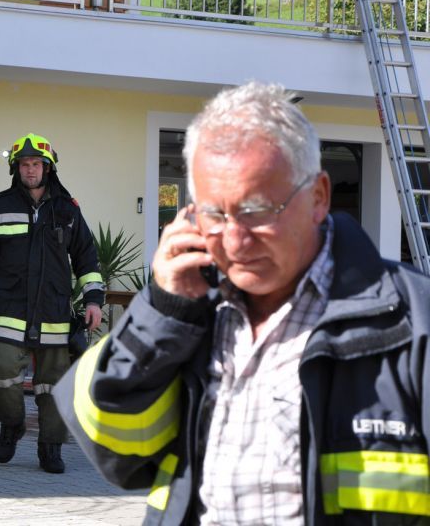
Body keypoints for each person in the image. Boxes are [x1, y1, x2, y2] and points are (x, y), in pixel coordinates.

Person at [56, 81, 430, 524]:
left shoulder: (411, 319)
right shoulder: (188, 313)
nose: (234, 240)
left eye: (257, 210)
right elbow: (114, 454)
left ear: (318, 197)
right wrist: (162, 312)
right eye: (214, 213)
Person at [0, 133, 105, 474]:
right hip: (8, 309)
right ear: (15, 168)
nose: (30, 170)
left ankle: (50, 446)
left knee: (54, 384)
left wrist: (93, 300)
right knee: (2, 372)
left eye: (36, 164)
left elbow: (86, 258)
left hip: (54, 313)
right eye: (24, 164)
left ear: (48, 168)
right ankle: (12, 425)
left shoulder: (67, 209)